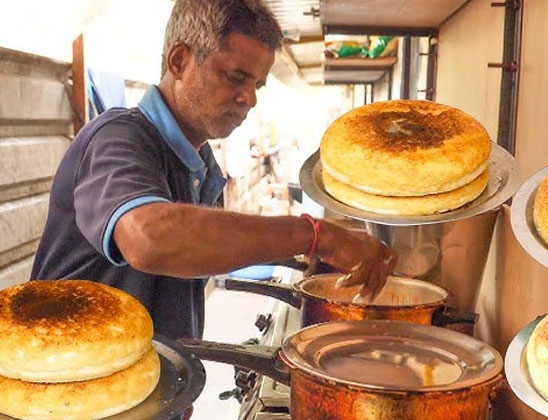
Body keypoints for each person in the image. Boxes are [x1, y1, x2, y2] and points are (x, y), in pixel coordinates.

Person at [31, 0, 396, 342]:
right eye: (236, 76)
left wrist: (309, 254)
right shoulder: (117, 137)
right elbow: (149, 239)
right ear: (179, 61)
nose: (250, 99)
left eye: (257, 84)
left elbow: (191, 255)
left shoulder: (200, 166)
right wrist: (318, 236)